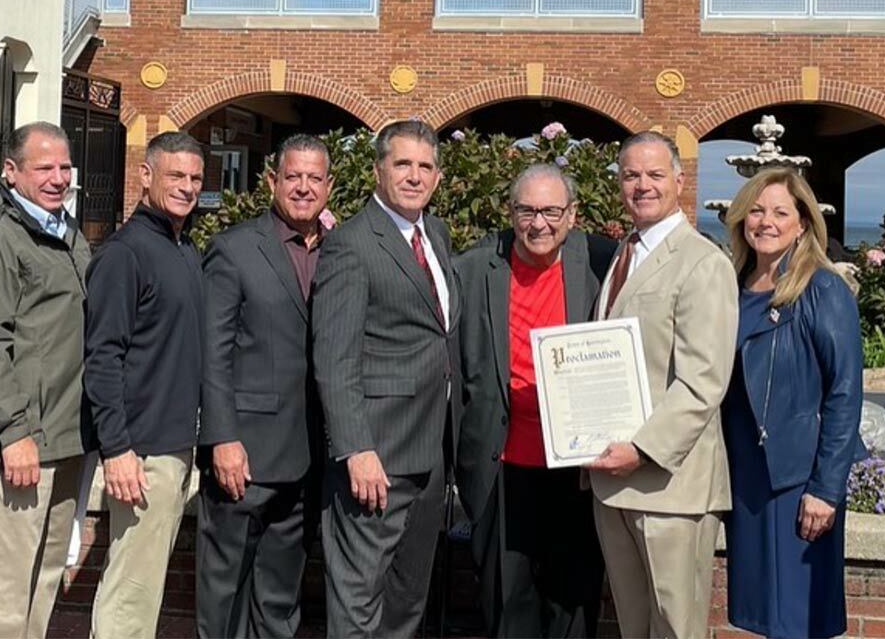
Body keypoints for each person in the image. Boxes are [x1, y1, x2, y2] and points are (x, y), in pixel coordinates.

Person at [587, 130, 738, 639]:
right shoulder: (623, 254)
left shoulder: (703, 262)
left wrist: (644, 449)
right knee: (634, 627)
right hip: (613, 484)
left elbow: (704, 382)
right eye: (631, 175)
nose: (642, 186)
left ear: (679, 180)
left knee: (676, 629)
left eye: (654, 175)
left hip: (671, 487)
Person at [455, 164, 616, 638]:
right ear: (511, 212)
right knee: (507, 604)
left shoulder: (602, 263)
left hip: (577, 468)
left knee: (573, 604)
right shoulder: (475, 269)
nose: (538, 223)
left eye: (550, 211)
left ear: (572, 215)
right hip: (502, 467)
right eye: (526, 210)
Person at [312, 119, 459, 639]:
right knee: (358, 602)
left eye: (424, 166)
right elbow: (334, 358)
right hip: (375, 458)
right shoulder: (352, 244)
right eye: (402, 164)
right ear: (378, 170)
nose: (414, 176)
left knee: (406, 601)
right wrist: (356, 449)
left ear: (438, 177)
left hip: (429, 456)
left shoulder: (436, 235)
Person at [0, 121, 92, 639]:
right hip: (18, 444)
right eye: (44, 167)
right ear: (11, 172)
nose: (58, 177)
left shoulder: (63, 228)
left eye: (64, 167)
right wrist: (13, 432)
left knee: (43, 583)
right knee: (2, 597)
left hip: (65, 438)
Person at [196, 134, 333, 638]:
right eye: (292, 176)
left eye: (314, 178)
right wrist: (221, 438)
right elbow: (212, 353)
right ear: (272, 181)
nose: (303, 188)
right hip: (244, 455)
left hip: (308, 458)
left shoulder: (337, 251)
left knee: (280, 599)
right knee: (225, 595)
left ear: (329, 186)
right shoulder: (234, 250)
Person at [721, 169, 867, 639]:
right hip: (745, 477)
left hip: (795, 480)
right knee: (762, 615)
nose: (766, 222)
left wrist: (826, 489)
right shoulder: (733, 287)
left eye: (780, 212)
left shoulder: (822, 290)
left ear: (803, 223)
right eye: (757, 210)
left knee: (798, 619)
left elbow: (845, 393)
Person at [83, 131, 207, 637]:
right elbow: (102, 355)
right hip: (142, 452)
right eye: (175, 175)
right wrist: (117, 449)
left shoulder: (183, 248)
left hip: (175, 446)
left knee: (145, 581)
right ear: (146, 175)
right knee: (131, 590)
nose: (187, 187)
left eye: (196, 177)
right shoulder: (125, 253)